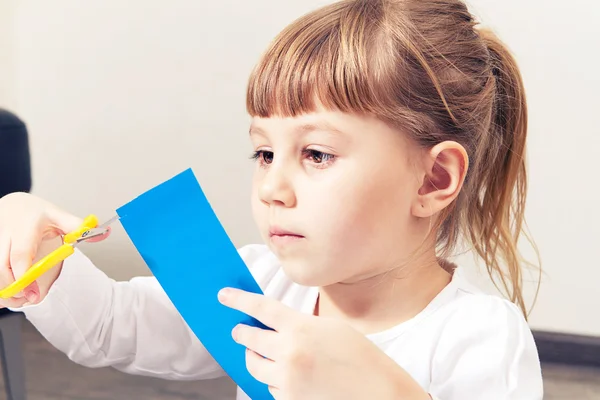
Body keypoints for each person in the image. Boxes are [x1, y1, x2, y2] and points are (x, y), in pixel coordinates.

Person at [0, 0, 543, 399]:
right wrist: (34, 252)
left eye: (317, 154)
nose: (271, 189)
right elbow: (110, 326)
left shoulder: (483, 341)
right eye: (263, 154)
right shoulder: (260, 285)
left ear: (432, 180)